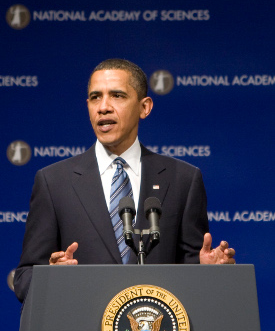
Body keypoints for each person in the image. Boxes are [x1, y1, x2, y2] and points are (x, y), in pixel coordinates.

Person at [14, 58, 235, 303]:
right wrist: (51, 279)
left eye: (117, 96)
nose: (104, 107)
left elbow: (191, 270)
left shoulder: (183, 179)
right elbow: (24, 277)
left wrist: (209, 272)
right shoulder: (53, 182)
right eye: (95, 97)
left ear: (145, 107)